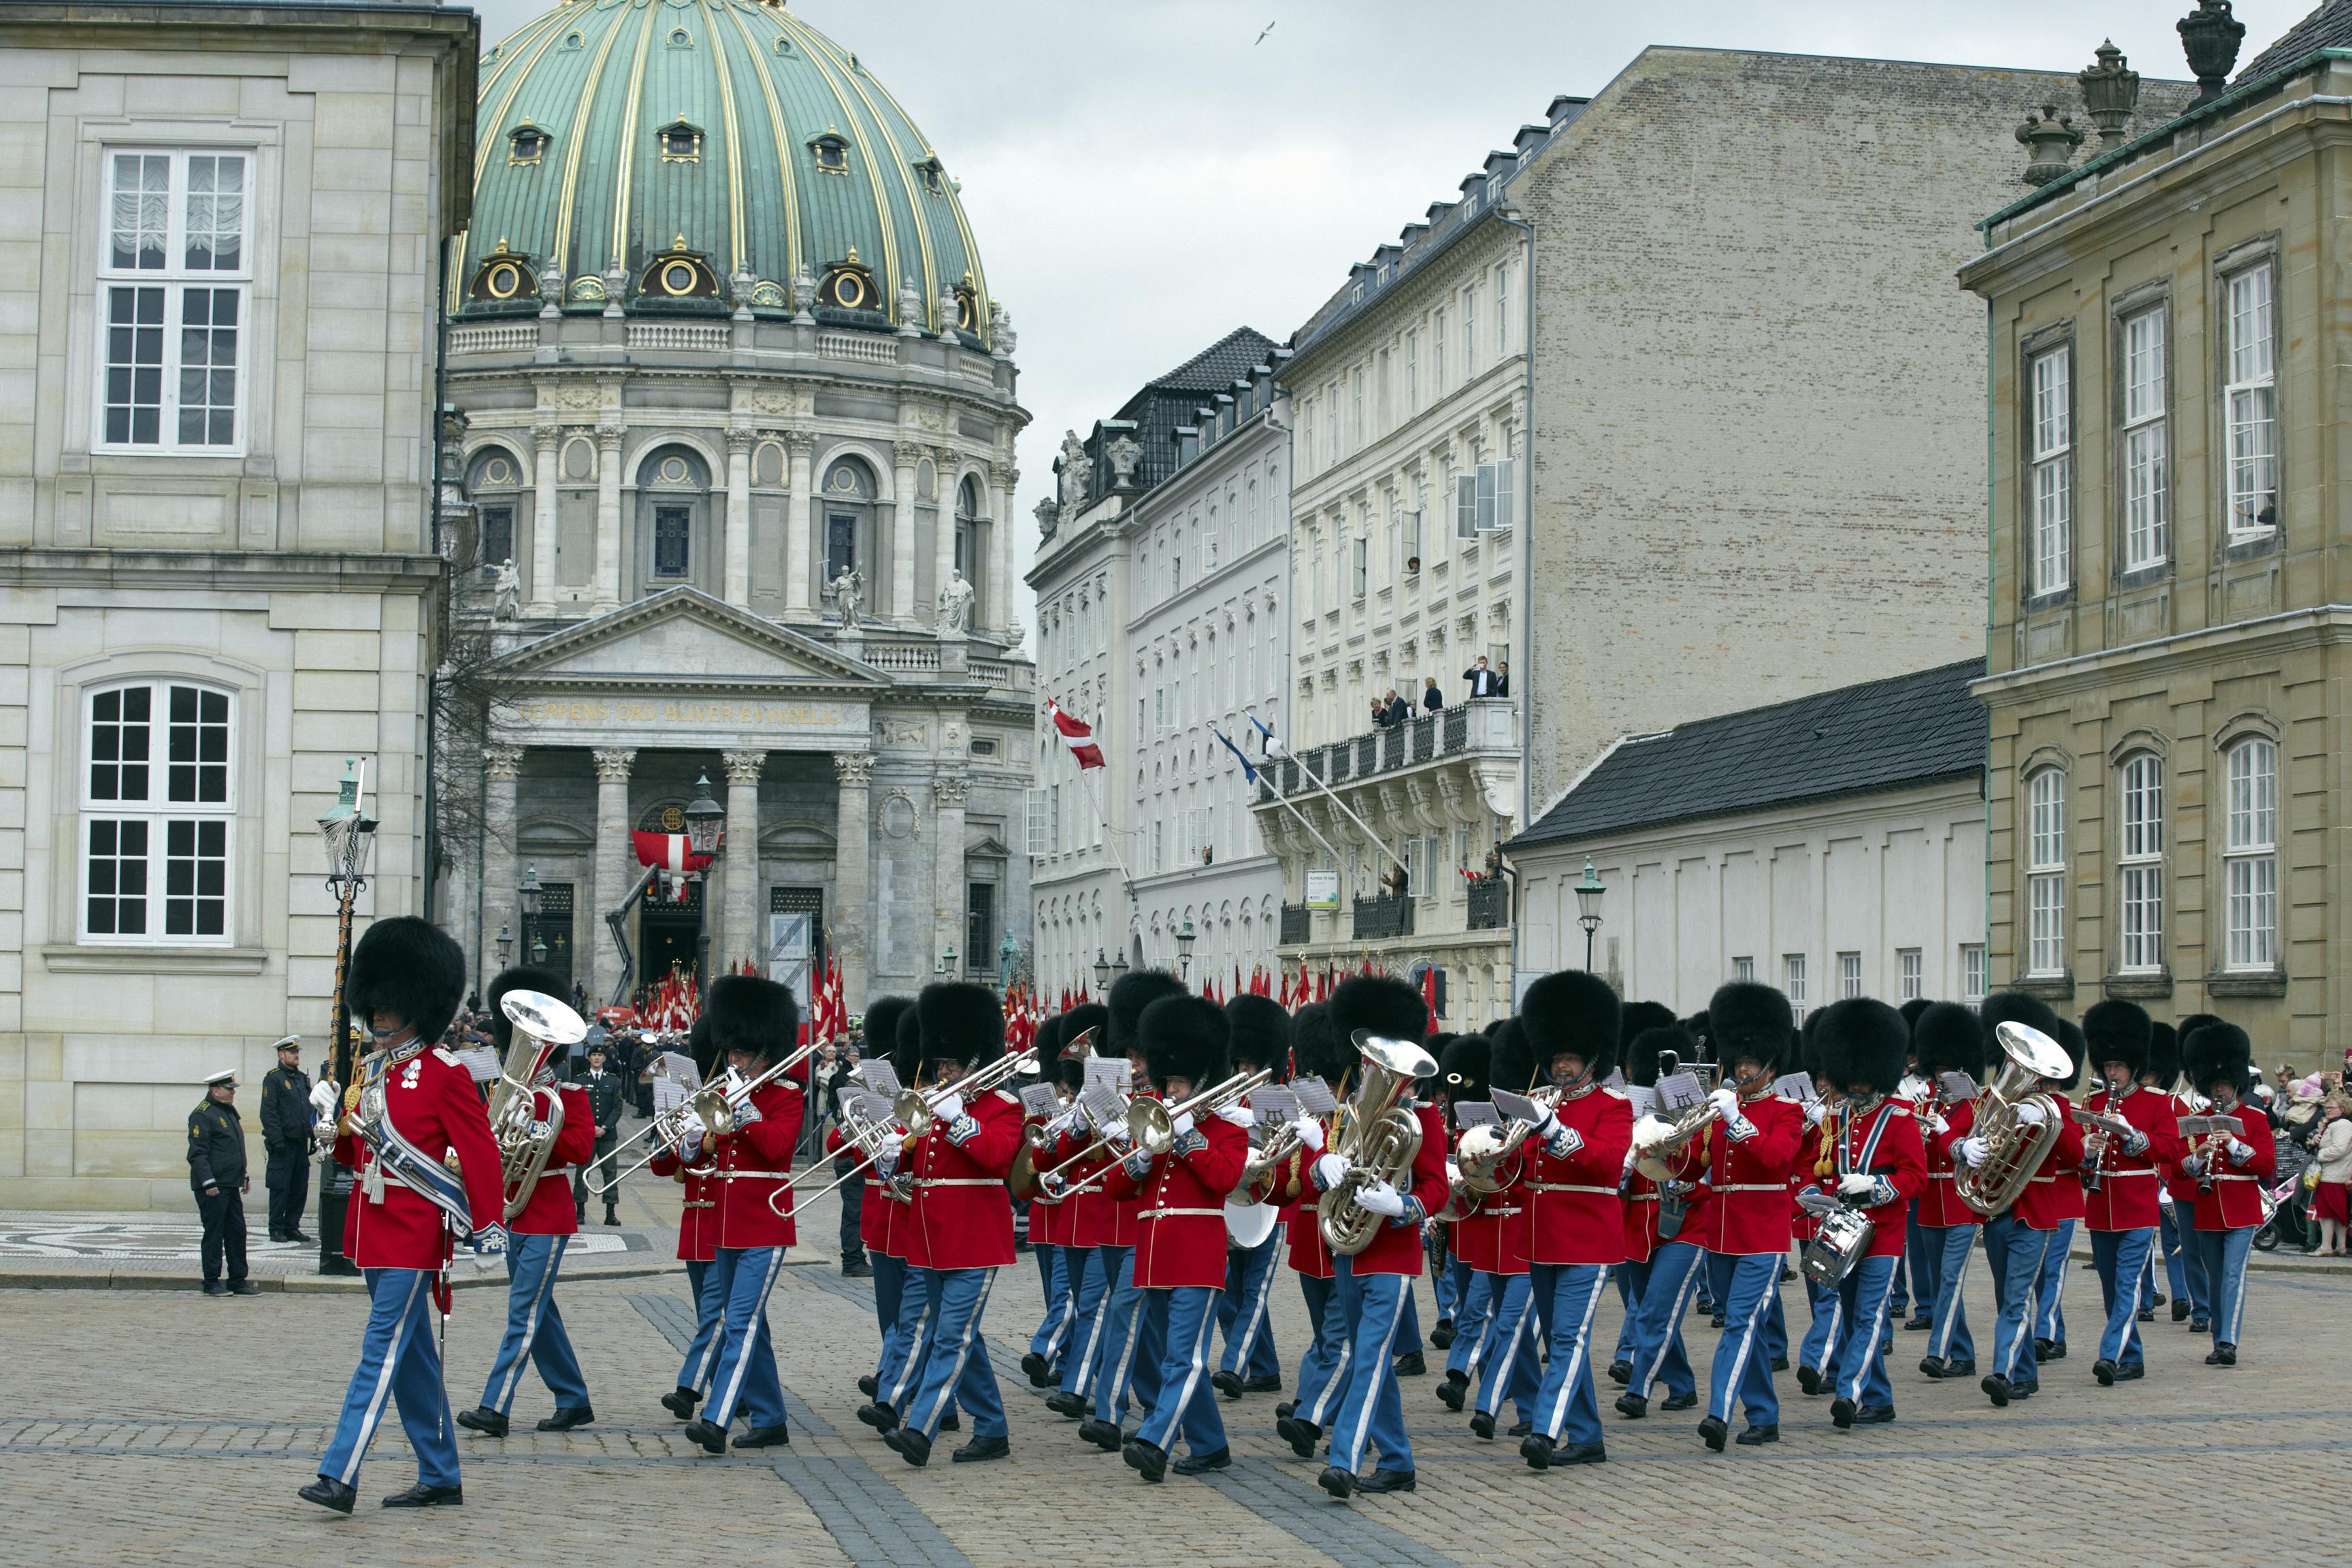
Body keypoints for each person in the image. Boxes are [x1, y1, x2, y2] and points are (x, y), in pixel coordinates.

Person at [301, 917, 506, 1514]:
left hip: (414, 1235)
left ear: (419, 1006)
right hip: (370, 1229)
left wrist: (489, 1228)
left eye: (391, 1006)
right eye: (377, 1005)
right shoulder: (372, 1071)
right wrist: (327, 1126)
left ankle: (340, 1473)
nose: (380, 1015)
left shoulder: (445, 1074)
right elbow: (356, 1149)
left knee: (380, 1351)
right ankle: (441, 1474)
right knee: (413, 1356)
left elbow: (480, 1154)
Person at [1300, 975, 1448, 1499]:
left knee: (1367, 1357)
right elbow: (1311, 1173)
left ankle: (1344, 1458)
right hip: (1347, 1249)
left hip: (1391, 1253)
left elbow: (1437, 1187)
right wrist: (1324, 1164)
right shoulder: (1346, 1113)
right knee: (1372, 1359)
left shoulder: (1422, 1116)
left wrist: (1402, 1205)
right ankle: (1398, 1461)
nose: (1373, 1069)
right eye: (1370, 1061)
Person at [881, 982, 1022, 1467]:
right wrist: (890, 1154)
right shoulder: (932, 1108)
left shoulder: (1003, 1106)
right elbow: (911, 1166)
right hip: (930, 1240)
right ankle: (993, 1428)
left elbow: (998, 1158)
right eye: (939, 1065)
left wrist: (961, 1119)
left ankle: (919, 1428)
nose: (942, 1073)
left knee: (949, 1338)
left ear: (975, 1062)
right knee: (963, 1336)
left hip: (975, 1241)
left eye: (951, 1066)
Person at [1112, 994, 1251, 1480]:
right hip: (1155, 1255)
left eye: (1177, 1080)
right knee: (1174, 1356)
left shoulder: (1227, 1129)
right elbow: (1115, 1188)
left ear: (1201, 1080)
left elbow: (1224, 1180)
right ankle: (1211, 1444)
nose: (1169, 1090)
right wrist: (1141, 1159)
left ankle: (1155, 1438)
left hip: (1196, 1254)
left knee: (1182, 1357)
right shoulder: (1153, 1125)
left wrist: (1190, 1138)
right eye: (1166, 1079)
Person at [459, 965, 599, 1439]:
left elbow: (579, 1148)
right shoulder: (503, 1092)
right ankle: (574, 1399)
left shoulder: (569, 1095)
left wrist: (536, 1133)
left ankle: (494, 1406)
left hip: (548, 1214)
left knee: (524, 1311)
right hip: (512, 1212)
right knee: (541, 1311)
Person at [1506, 974, 1633, 1470]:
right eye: (1557, 1057)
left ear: (1590, 1059)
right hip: (1541, 1238)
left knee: (1566, 1338)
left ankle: (1545, 1429)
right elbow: (1525, 1173)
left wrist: (1557, 1132)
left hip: (1586, 1238)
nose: (1562, 1065)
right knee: (1563, 1338)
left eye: (1571, 1058)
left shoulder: (1613, 1106)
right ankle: (1587, 1437)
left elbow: (1607, 1162)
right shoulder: (1540, 1105)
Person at [681, 976, 804, 1456]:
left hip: (764, 1220)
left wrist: (749, 1110)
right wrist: (691, 1140)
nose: (732, 1061)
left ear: (762, 1051)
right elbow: (704, 1161)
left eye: (740, 1053)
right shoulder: (723, 1091)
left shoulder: (787, 1094)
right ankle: (771, 1419)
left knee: (740, 1323)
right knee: (753, 1324)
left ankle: (716, 1418)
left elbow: (777, 1151)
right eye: (730, 1052)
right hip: (725, 1222)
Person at [1803, 998, 1927, 1430]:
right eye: (1849, 1078)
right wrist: (1813, 1192)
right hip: (1841, 1230)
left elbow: (1916, 1177)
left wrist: (1877, 1185)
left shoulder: (1900, 1118)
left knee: (1870, 1316)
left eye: (1861, 1078)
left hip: (1885, 1231)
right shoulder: (1836, 1119)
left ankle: (1849, 1392)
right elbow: (1815, 1166)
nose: (1854, 1086)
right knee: (1852, 1314)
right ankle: (1880, 1398)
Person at [1691, 980, 1802, 1450]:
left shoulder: (1787, 1111)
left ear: (1770, 1067)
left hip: (1762, 1236)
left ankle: (1719, 1412)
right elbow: (1700, 1165)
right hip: (1721, 1234)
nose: (1741, 1070)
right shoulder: (1720, 1110)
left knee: (1738, 1322)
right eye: (1738, 1062)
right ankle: (1764, 1415)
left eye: (1750, 1064)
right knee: (1748, 1326)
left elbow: (1776, 1159)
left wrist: (1738, 1120)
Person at [1961, 992, 2076, 1409]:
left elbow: (2078, 1157)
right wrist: (1965, 1147)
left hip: (2034, 1217)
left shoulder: (2056, 1107)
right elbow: (1974, 1146)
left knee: (2016, 1297)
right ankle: (2025, 1373)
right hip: (1996, 1212)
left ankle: (2003, 1373)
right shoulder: (1996, 1104)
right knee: (2006, 1297)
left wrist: (2049, 1121)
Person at [2079, 1000, 2182, 1387]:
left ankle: (2110, 1354)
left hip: (2138, 1204)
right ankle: (2133, 1356)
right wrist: (2087, 1151)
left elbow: (2173, 1149)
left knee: (2127, 1285)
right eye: (2107, 1067)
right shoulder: (2094, 1102)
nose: (2112, 1073)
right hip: (2102, 1203)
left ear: (2132, 1066)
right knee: (2110, 1287)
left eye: (2118, 1066)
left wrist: (2136, 1139)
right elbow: (2084, 1159)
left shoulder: (2157, 1102)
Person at [2180, 1021, 2274, 1366]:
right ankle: (2220, 1336)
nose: (2219, 1091)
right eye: (2214, 1085)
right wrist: (2200, 1153)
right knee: (2215, 1276)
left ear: (2236, 1084)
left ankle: (2228, 1342)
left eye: (2224, 1084)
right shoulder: (2198, 1119)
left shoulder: (2254, 1118)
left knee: (2233, 1275)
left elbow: (2264, 1165)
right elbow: (2180, 1168)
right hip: (2207, 1208)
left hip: (2242, 1208)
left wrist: (2234, 1144)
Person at [1212, 995, 1290, 1399]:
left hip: (1267, 1203)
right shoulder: (1227, 1095)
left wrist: (1257, 1119)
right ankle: (1265, 1367)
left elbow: (1290, 1148)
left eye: (1249, 1064)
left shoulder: (1282, 1096)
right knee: (1232, 1290)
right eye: (1239, 1063)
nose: (1242, 1070)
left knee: (1256, 1291)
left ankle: (1233, 1364)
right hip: (1233, 1199)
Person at [653, 1015, 725, 1424]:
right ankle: (747, 1391)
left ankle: (689, 1389)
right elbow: (666, 1170)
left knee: (715, 1316)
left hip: (722, 1223)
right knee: (713, 1318)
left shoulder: (730, 1107)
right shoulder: (695, 1105)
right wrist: (669, 1137)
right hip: (693, 1226)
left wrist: (707, 1137)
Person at [1910, 1003, 1987, 1381]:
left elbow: (1977, 1151)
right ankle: (1964, 1354)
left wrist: (1943, 1135)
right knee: (1942, 1282)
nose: (1941, 1076)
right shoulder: (1927, 1105)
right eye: (1938, 1069)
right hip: (1929, 1205)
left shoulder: (1980, 1107)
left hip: (1961, 1203)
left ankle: (1937, 1352)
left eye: (1947, 1069)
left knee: (1952, 1279)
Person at [189, 1067, 257, 1295]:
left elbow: (233, 1148)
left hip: (230, 1183)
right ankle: (211, 1281)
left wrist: (243, 1174)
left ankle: (238, 1280)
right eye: (229, 1089)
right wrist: (208, 1182)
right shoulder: (203, 1114)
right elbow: (198, 1153)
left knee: (237, 1232)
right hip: (214, 1187)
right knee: (215, 1233)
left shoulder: (228, 1111)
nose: (233, 1093)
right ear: (215, 1091)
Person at [259, 1036, 315, 1245]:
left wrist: (311, 1136)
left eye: (297, 1051)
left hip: (299, 1143)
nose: (296, 1055)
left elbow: (308, 1109)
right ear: (281, 1055)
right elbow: (268, 1113)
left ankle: (292, 1226)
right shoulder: (273, 1079)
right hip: (283, 1144)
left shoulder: (301, 1079)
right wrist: (277, 1140)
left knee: (299, 1188)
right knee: (280, 1187)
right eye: (292, 1052)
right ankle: (276, 1228)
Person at [575, 1040, 626, 1226]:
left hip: (607, 1135)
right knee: (582, 1172)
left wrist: (605, 1127)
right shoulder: (580, 1080)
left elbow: (618, 1106)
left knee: (610, 1173)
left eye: (600, 1056)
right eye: (594, 1055)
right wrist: (590, 1127)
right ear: (589, 1058)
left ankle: (610, 1213)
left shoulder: (613, 1080)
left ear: (604, 1059)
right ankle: (579, 1211)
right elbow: (578, 1108)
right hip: (587, 1135)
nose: (597, 1058)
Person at [2315, 1094, 2352, 1256]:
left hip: (2334, 1173)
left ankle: (2326, 1246)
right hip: (2335, 1173)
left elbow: (2339, 1149)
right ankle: (2340, 1246)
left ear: (2342, 1109)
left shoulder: (2342, 1125)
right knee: (2336, 1211)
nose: (2328, 1110)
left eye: (2332, 1108)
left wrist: (2320, 1154)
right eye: (2327, 1107)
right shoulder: (2333, 1124)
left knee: (2329, 1211)